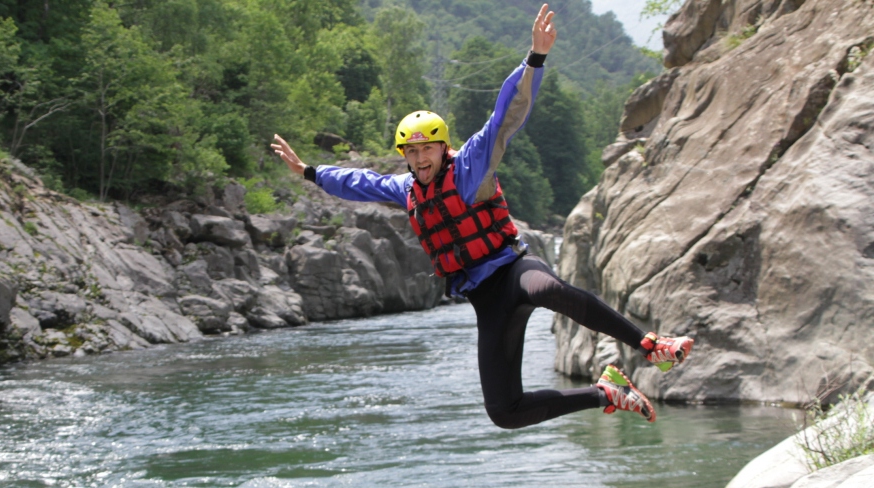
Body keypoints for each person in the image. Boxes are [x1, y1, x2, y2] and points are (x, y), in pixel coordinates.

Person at [271, 4, 693, 428]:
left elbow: (506, 114)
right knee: (504, 412)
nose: (419, 158)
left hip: (514, 270)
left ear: (442, 147)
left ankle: (651, 344)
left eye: (427, 149)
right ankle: (606, 392)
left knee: (550, 290)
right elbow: (358, 182)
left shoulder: (470, 166)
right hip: (485, 298)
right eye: (411, 151)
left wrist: (535, 60)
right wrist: (310, 171)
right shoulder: (406, 189)